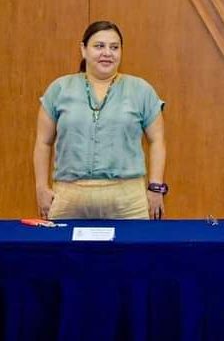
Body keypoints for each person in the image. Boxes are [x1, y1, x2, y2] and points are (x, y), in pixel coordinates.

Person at [33, 21, 167, 220]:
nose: (107, 53)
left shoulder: (141, 90)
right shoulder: (59, 89)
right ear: (83, 49)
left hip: (128, 199)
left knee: (132, 252)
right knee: (63, 252)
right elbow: (43, 143)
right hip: (69, 197)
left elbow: (158, 141)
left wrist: (156, 188)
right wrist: (41, 188)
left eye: (114, 47)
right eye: (99, 46)